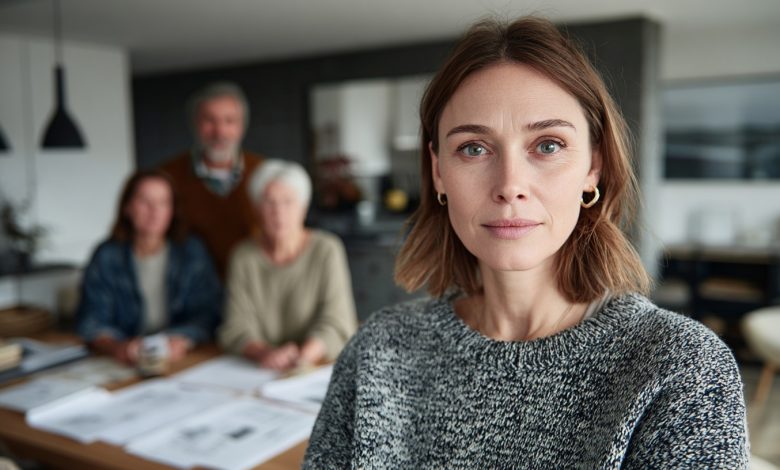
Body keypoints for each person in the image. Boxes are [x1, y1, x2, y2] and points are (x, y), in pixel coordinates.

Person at [304, 17, 748, 468]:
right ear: (439, 172)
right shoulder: (378, 350)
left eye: (548, 145)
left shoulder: (680, 369)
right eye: (474, 148)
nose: (510, 185)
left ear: (592, 167)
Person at [218, 159, 358, 371]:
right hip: (258, 368)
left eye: (288, 201)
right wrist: (265, 353)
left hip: (316, 366)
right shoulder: (243, 256)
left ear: (303, 207)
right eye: (269, 202)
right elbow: (235, 327)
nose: (278, 212)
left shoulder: (327, 249)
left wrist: (303, 356)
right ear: (256, 208)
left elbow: (338, 321)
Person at [77, 170, 222, 365]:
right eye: (145, 201)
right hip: (122, 361)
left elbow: (209, 313)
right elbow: (91, 320)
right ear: (127, 207)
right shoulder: (106, 256)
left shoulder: (191, 252)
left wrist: (180, 340)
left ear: (172, 210)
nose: (154, 211)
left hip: (180, 359)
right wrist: (118, 347)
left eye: (163, 202)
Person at [160, 82, 264, 279]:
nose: (219, 132)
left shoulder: (264, 173)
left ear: (242, 126)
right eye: (209, 120)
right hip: (191, 290)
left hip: (254, 286)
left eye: (229, 121)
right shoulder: (167, 176)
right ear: (194, 124)